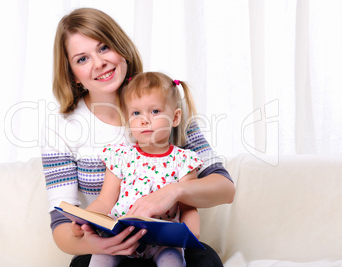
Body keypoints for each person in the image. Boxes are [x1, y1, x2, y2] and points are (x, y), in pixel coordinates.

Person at [41, 7, 235, 267]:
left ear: (122, 49)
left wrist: (174, 191)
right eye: (82, 59)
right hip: (108, 245)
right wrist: (95, 242)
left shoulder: (165, 106)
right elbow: (62, 224)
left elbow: (224, 189)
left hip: (167, 245)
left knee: (204, 261)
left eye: (103, 48)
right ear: (73, 75)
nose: (99, 63)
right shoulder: (61, 127)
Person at [87, 72, 203, 267]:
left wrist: (192, 236)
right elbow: (105, 200)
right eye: (136, 113)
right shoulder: (120, 156)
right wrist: (85, 221)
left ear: (175, 117)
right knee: (99, 259)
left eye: (155, 111)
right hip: (121, 236)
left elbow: (188, 206)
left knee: (173, 261)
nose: (144, 120)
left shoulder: (183, 160)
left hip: (164, 242)